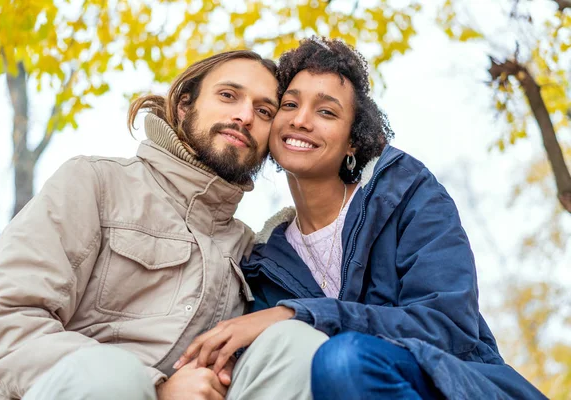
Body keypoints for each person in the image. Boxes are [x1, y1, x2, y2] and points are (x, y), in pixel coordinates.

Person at [174, 37, 547, 400]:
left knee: (343, 361)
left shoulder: (406, 195)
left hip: (453, 385)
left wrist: (298, 315)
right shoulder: (264, 263)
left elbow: (447, 327)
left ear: (353, 140)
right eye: (289, 105)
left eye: (326, 111)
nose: (301, 120)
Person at [0, 50, 326, 400]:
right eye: (228, 95)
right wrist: (157, 388)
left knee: (299, 345)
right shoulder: (96, 182)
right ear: (185, 105)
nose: (245, 115)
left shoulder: (249, 247)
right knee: (114, 375)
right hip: (70, 390)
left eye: (264, 111)